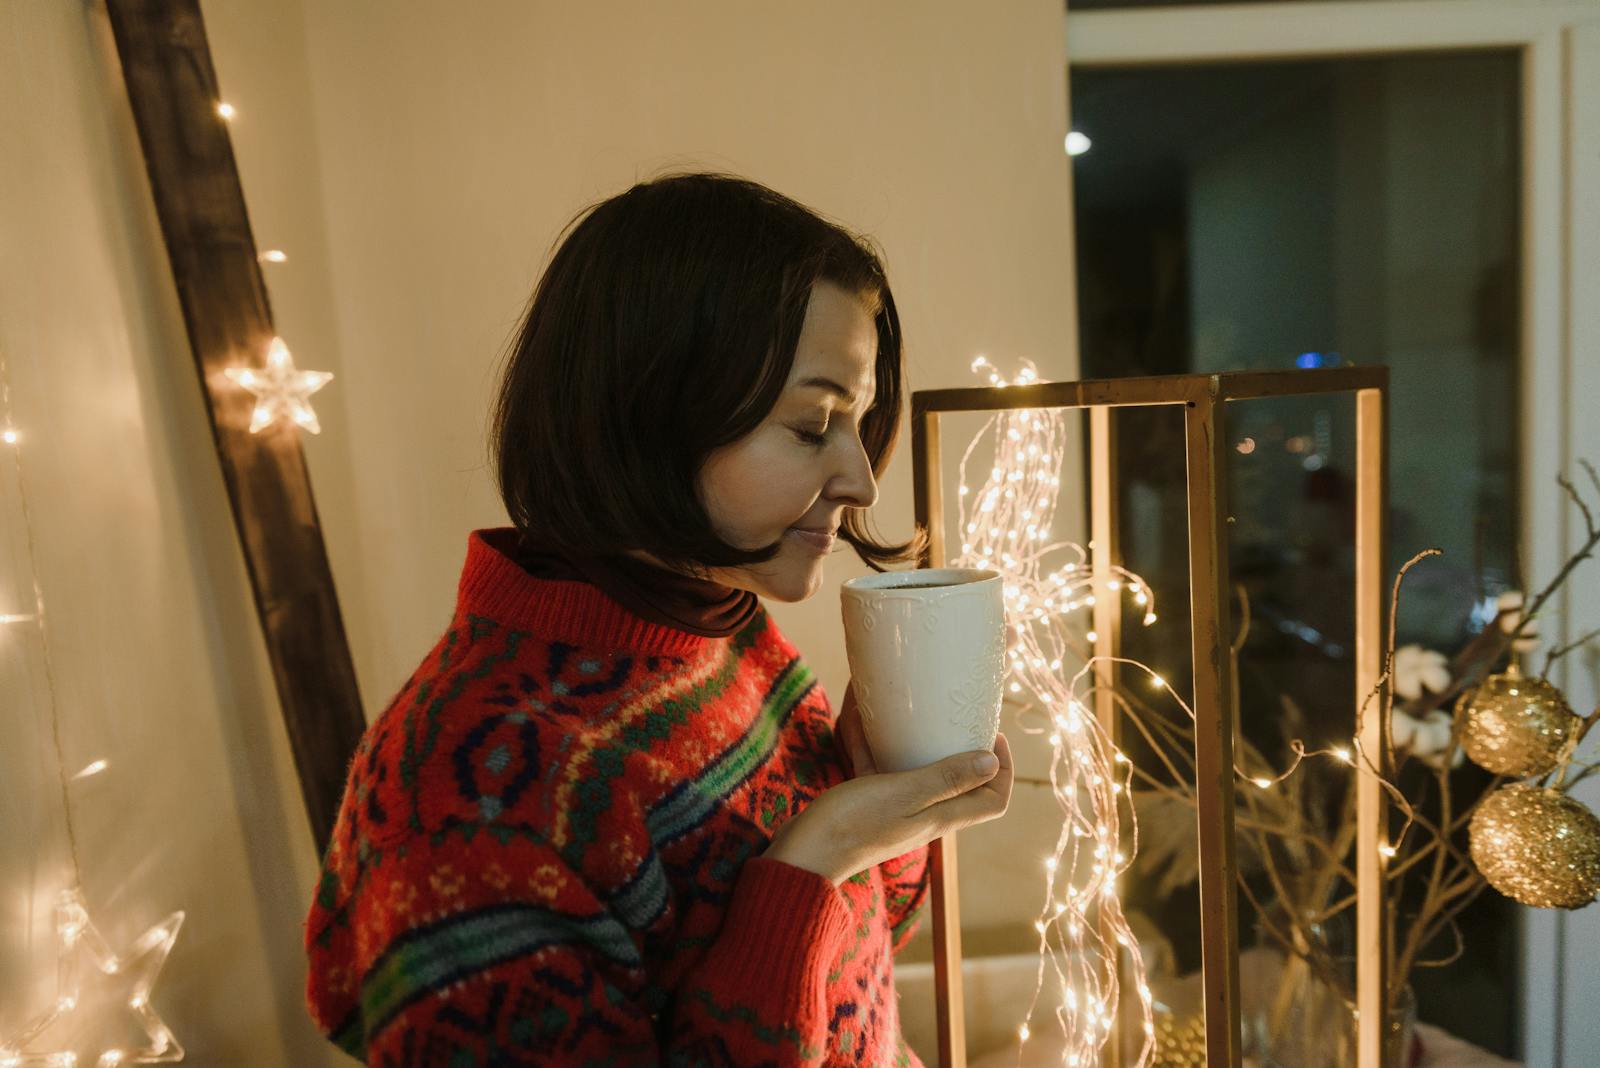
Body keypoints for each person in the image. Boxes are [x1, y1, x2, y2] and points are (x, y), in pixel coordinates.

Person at [302, 170, 1013, 1067]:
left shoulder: (724, 631)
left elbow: (849, 975)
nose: (862, 482)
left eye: (858, 423)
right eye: (812, 426)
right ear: (650, 412)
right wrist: (808, 865)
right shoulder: (468, 799)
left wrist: (889, 821)